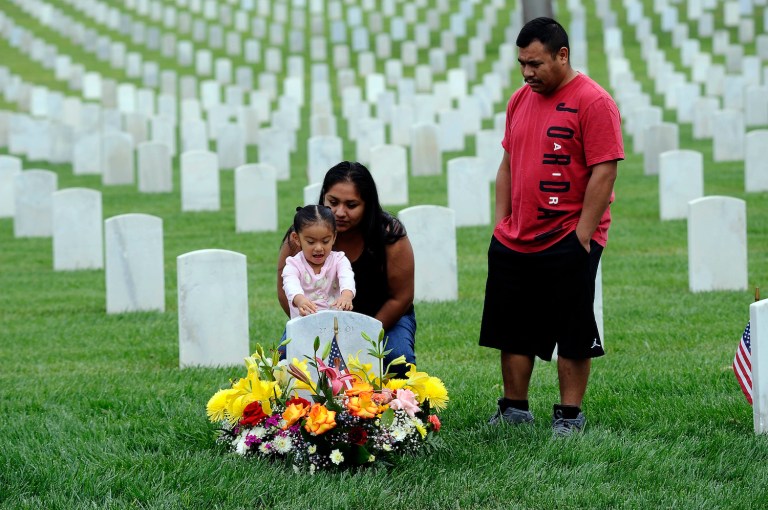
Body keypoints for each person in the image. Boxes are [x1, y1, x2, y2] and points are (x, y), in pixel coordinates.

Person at [479, 17, 624, 435]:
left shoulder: (593, 101)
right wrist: (501, 224)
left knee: (572, 327)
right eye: (522, 63)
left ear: (563, 55)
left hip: (568, 236)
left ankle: (569, 415)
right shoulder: (519, 100)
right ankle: (514, 408)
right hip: (515, 236)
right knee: (512, 326)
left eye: (536, 64)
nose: (527, 73)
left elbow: (604, 172)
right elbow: (507, 163)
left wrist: (583, 233)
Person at [277, 161, 416, 376]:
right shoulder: (303, 236)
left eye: (351, 205)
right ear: (323, 196)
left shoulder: (388, 234)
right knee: (284, 366)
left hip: (384, 320)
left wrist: (360, 334)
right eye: (333, 202)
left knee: (395, 361)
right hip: (318, 320)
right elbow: (285, 289)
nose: (340, 212)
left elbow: (401, 297)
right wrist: (315, 324)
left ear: (367, 204)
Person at [282, 205, 355, 319]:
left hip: (335, 326)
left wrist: (346, 295)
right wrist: (300, 299)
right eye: (311, 242)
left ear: (334, 237)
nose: (319, 248)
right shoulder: (293, 265)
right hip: (303, 326)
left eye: (325, 241)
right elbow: (290, 284)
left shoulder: (339, 260)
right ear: (297, 238)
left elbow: (347, 277)